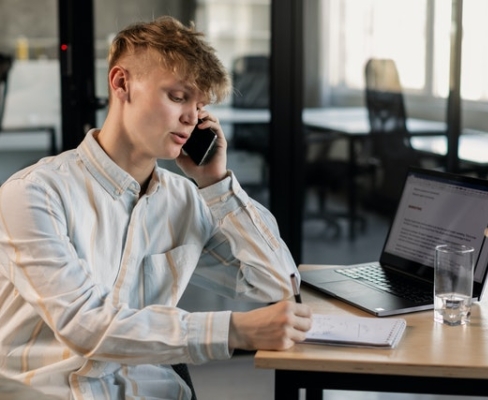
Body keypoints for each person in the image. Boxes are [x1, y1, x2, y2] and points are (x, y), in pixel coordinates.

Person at [0, 16, 312, 400]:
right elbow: (84, 325)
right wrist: (233, 330)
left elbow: (278, 283)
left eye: (200, 105)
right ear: (121, 83)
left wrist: (216, 185)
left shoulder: (184, 200)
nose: (191, 118)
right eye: (178, 97)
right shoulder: (33, 195)